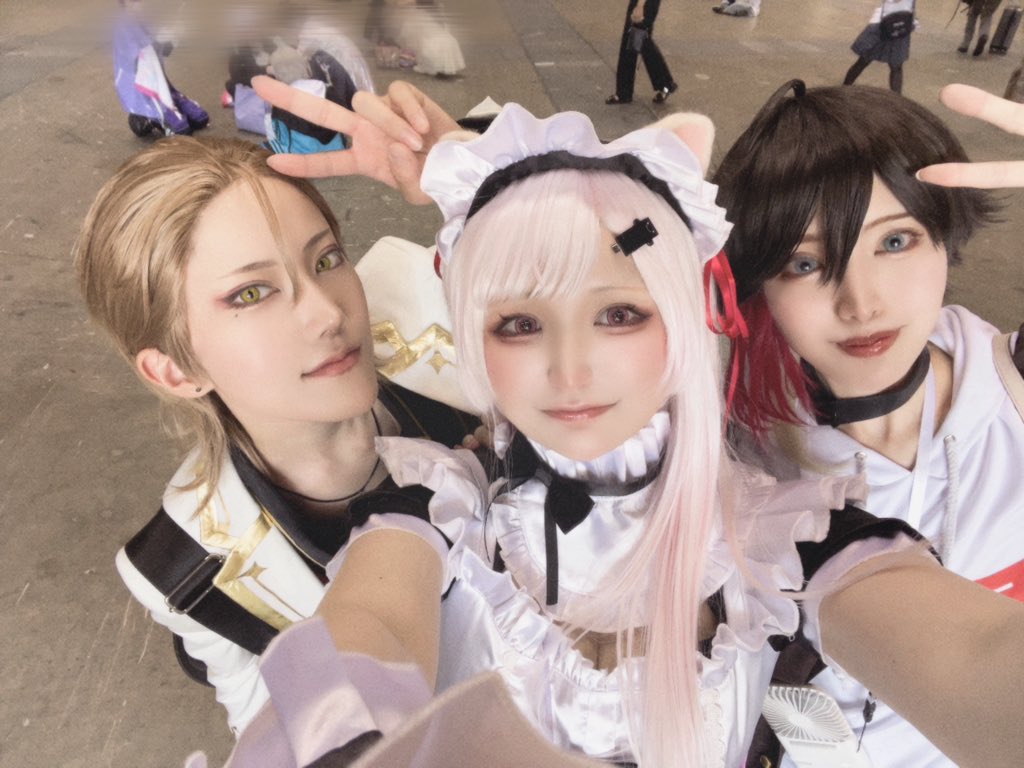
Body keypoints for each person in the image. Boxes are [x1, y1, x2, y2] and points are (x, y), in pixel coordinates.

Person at [229, 82, 1024, 768]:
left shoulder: (784, 527)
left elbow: (975, 658)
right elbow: (366, 630)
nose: (571, 371)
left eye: (619, 314)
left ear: (686, 316)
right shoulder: (440, 510)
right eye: (518, 324)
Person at [74, 136, 480, 735]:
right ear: (176, 370)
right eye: (251, 293)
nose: (328, 314)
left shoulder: (462, 324)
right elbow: (269, 725)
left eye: (326, 259)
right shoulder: (188, 567)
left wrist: (504, 184)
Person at [714, 80, 1024, 767]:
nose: (861, 303)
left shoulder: (1015, 392)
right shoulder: (730, 455)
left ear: (946, 234)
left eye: (895, 240)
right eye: (805, 262)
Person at [112, 0, 209, 137]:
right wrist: (157, 43)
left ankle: (172, 98)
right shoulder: (123, 26)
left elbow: (163, 50)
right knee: (182, 129)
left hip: (157, 78)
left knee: (200, 119)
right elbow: (135, 60)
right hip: (141, 82)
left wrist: (171, 38)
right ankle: (152, 111)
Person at [606, 0, 678, 105]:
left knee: (642, 43)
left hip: (645, 4)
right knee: (632, 43)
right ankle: (624, 93)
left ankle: (665, 84)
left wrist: (640, 6)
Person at [843, 0, 916, 94]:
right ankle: (845, 88)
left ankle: (897, 98)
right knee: (865, 60)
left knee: (895, 66)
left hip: (898, 23)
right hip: (887, 24)